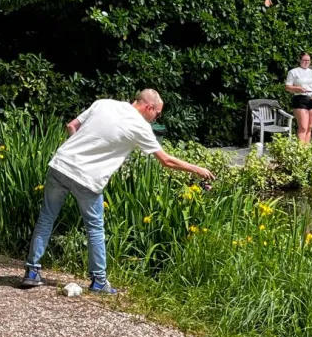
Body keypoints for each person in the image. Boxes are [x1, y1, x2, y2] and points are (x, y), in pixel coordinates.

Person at [21, 89, 215, 294]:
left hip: (61, 165)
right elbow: (166, 160)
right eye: (157, 114)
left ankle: (31, 272)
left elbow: (71, 126)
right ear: (149, 107)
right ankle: (98, 281)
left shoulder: (103, 103)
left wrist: (78, 153)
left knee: (46, 217)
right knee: (95, 228)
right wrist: (197, 169)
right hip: (88, 178)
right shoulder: (140, 126)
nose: (156, 118)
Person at [285, 52, 312, 144]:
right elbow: (287, 87)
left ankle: (307, 150)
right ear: (300, 60)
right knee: (303, 127)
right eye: (304, 60)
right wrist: (298, 88)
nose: (306, 62)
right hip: (300, 99)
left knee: (310, 127)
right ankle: (301, 150)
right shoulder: (293, 72)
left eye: (308, 60)